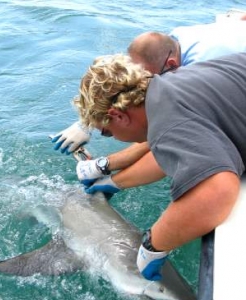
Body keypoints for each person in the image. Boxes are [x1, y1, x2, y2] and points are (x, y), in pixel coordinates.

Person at [72, 52, 246, 281]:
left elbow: (217, 190)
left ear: (118, 115)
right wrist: (114, 181)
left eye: (106, 131)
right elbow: (177, 149)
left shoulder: (167, 122)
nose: (112, 137)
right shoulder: (174, 84)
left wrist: (153, 245)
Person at [51, 17, 246, 154]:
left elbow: (172, 127)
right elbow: (122, 76)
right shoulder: (172, 40)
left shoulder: (201, 69)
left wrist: (106, 167)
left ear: (171, 65)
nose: (142, 87)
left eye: (149, 81)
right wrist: (88, 122)